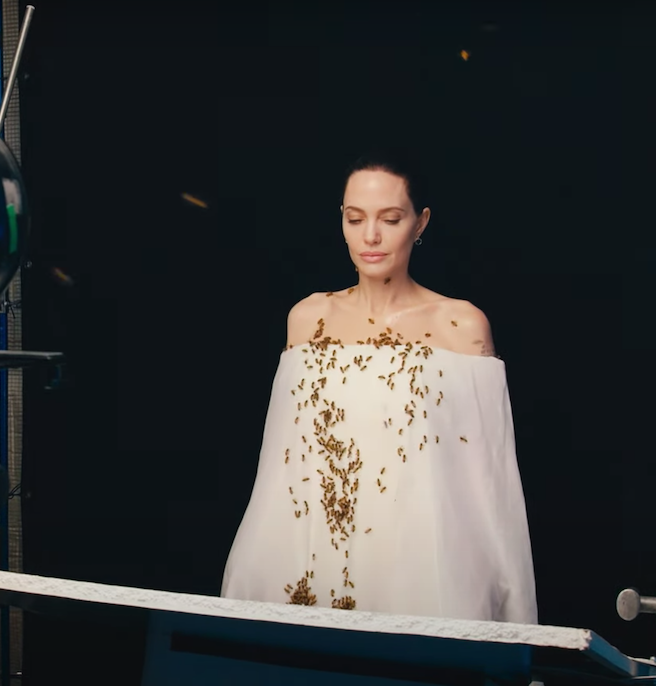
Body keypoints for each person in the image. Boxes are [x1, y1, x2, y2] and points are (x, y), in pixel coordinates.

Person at [220, 153, 537, 624]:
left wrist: (510, 607)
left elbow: (488, 480)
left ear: (419, 222)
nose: (370, 236)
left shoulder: (459, 325)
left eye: (390, 219)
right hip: (309, 557)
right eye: (355, 219)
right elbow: (283, 468)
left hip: (423, 566)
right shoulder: (309, 319)